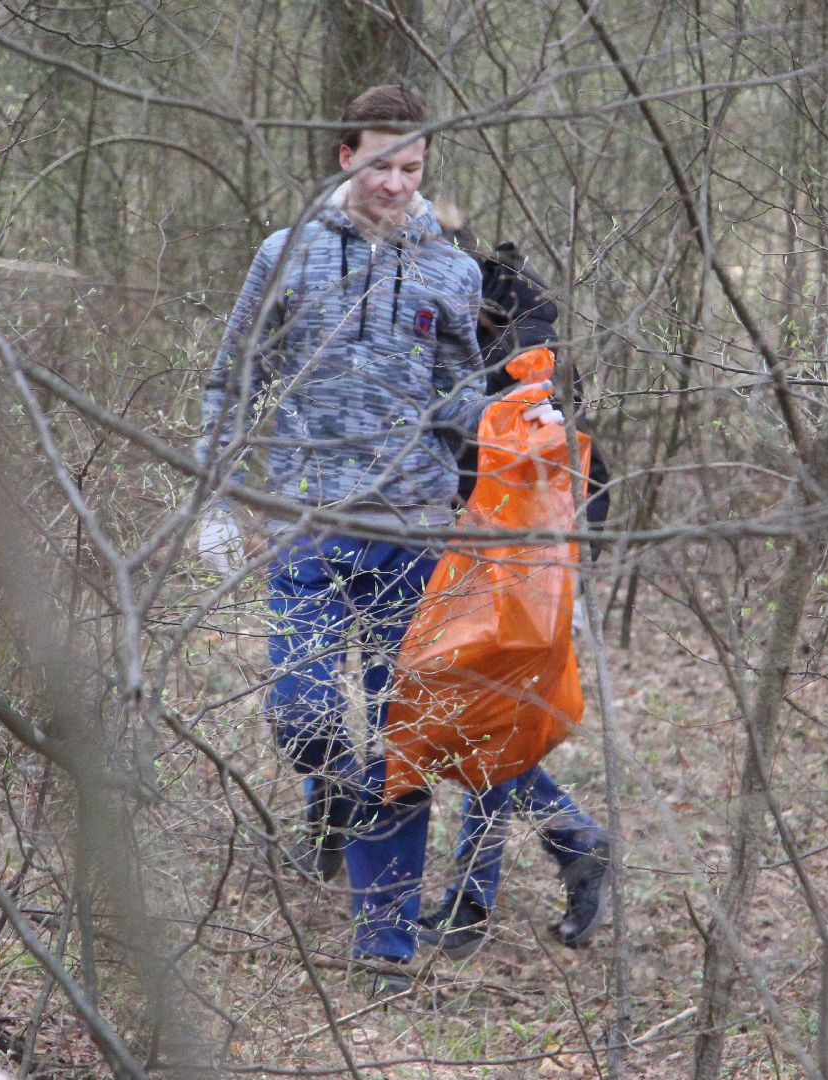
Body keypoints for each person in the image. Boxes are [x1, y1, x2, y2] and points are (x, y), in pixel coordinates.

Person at [200, 85, 562, 990]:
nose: (398, 184)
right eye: (381, 165)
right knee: (304, 714)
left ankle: (384, 944)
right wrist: (216, 500)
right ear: (343, 157)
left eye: (413, 168)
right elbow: (230, 381)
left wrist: (522, 416)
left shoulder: (454, 272)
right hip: (311, 531)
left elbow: (457, 402)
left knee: (406, 738)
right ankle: (331, 794)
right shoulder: (285, 255)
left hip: (416, 535)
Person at [416, 225, 613, 959]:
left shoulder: (523, 345)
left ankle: (504, 881)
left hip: (516, 553)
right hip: (489, 546)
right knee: (475, 715)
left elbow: (543, 455)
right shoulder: (496, 327)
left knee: (481, 715)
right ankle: (525, 868)